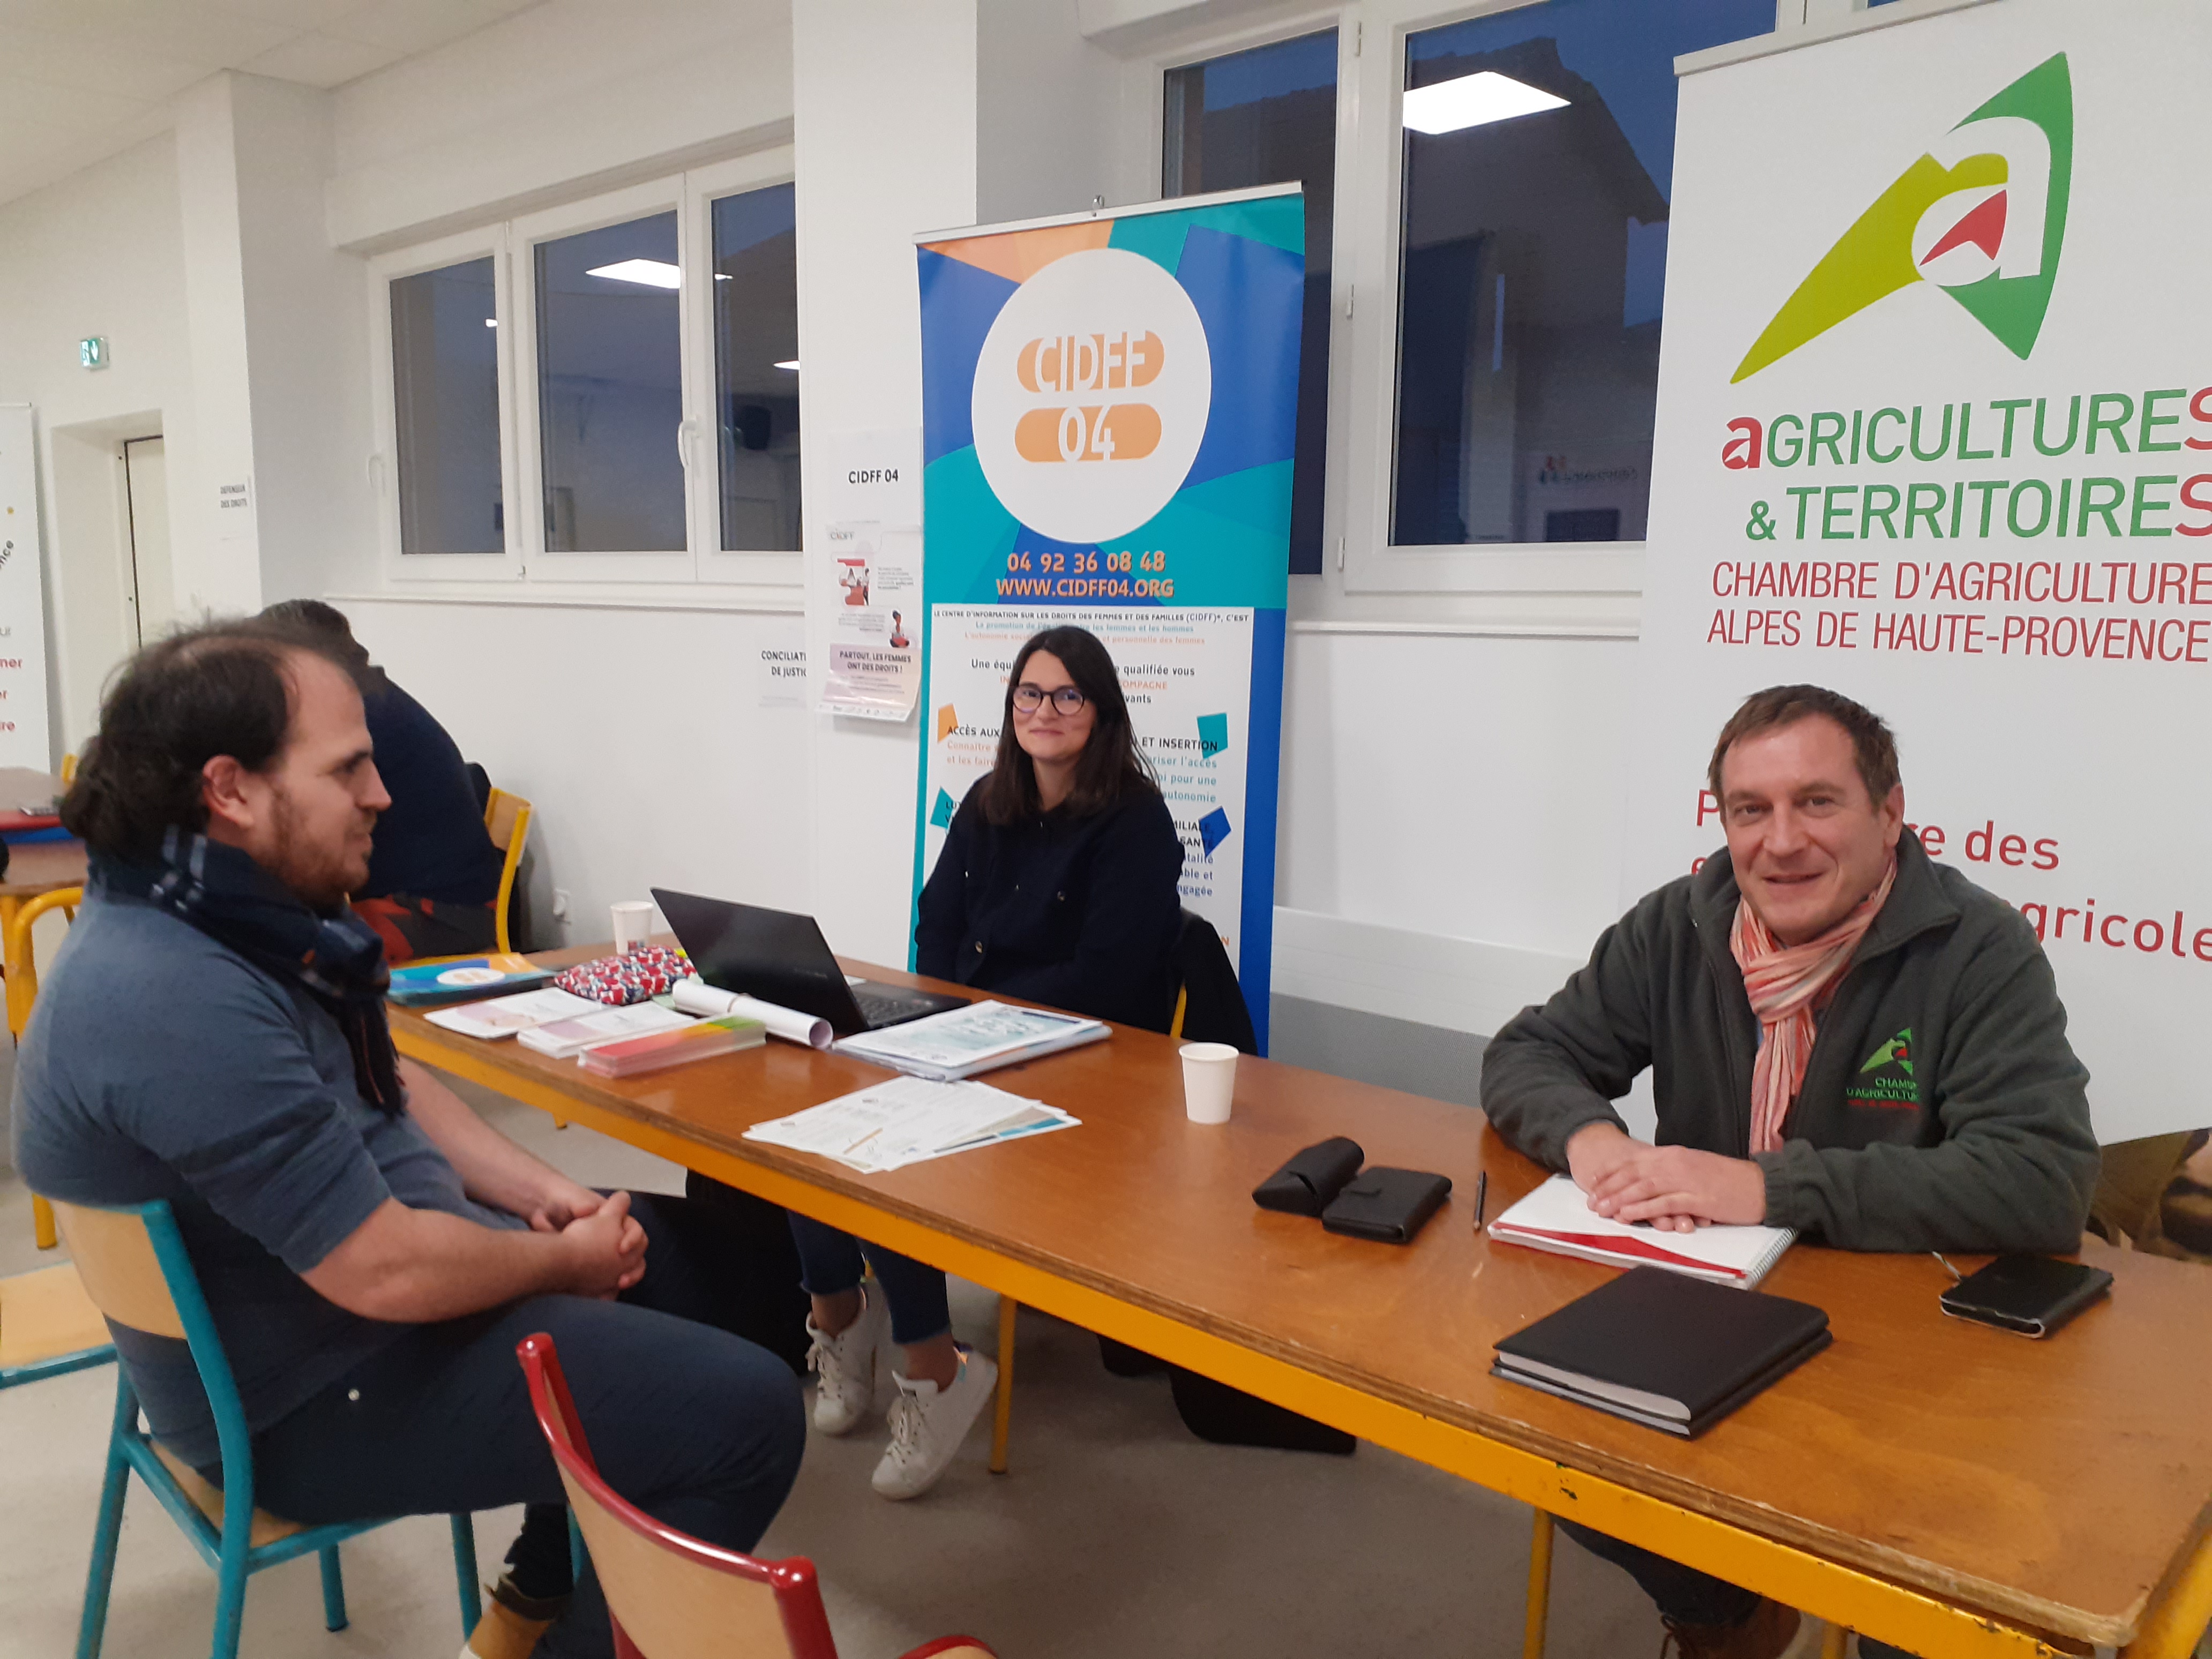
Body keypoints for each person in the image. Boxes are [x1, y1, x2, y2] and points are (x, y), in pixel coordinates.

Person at [14, 619, 809, 1659]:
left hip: (341, 1316)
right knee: (747, 1417)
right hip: (310, 1394)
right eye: (348, 769)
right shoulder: (176, 994)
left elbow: (390, 1079)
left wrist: (542, 1196)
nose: (382, 794)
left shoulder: (221, 920)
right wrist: (560, 1259)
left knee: (730, 1270)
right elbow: (383, 1271)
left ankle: (538, 1589)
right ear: (232, 790)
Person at [1481, 683, 2098, 1659]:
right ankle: (1725, 1615)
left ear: (1888, 814)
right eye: (1748, 810)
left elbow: (2040, 1179)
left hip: (1901, 1368)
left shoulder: (1977, 950)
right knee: (1564, 1441)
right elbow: (1526, 1055)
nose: (1779, 841)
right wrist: (1597, 1145)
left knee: (1932, 1612)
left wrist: (1769, 1186)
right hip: (1705, 1311)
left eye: (1816, 802)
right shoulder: (1676, 926)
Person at [779, 624, 1184, 1501]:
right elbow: (933, 923)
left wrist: (982, 1013)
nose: (1045, 712)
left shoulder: (1135, 822)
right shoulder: (987, 799)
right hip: (969, 1033)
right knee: (815, 1123)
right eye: (1029, 695)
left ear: (1100, 710)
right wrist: (949, 1015)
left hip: (1081, 1057)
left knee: (897, 1145)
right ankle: (839, 1318)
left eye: (1067, 696)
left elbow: (1104, 978)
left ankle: (935, 1365)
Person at [260, 598, 507, 963]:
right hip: (437, 901)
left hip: (440, 917)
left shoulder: (362, 715)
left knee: (280, 945)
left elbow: (300, 818)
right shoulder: (367, 696)